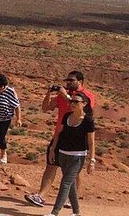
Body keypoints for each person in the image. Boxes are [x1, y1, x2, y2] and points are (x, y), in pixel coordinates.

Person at [26, 71, 99, 208]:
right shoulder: (62, 95)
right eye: (67, 80)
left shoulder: (87, 96)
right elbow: (45, 108)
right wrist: (49, 93)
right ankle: (40, 196)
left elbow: (85, 112)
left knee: (73, 171)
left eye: (71, 80)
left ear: (81, 81)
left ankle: (72, 199)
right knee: (51, 165)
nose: (68, 83)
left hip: (77, 137)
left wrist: (65, 96)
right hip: (60, 135)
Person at [41, 94, 96, 216]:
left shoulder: (88, 121)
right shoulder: (66, 117)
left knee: (65, 183)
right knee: (70, 184)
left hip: (77, 157)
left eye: (76, 102)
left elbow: (92, 142)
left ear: (84, 103)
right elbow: (58, 134)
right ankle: (76, 212)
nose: (72, 103)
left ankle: (54, 213)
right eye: (71, 101)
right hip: (63, 153)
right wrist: (53, 150)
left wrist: (91, 160)